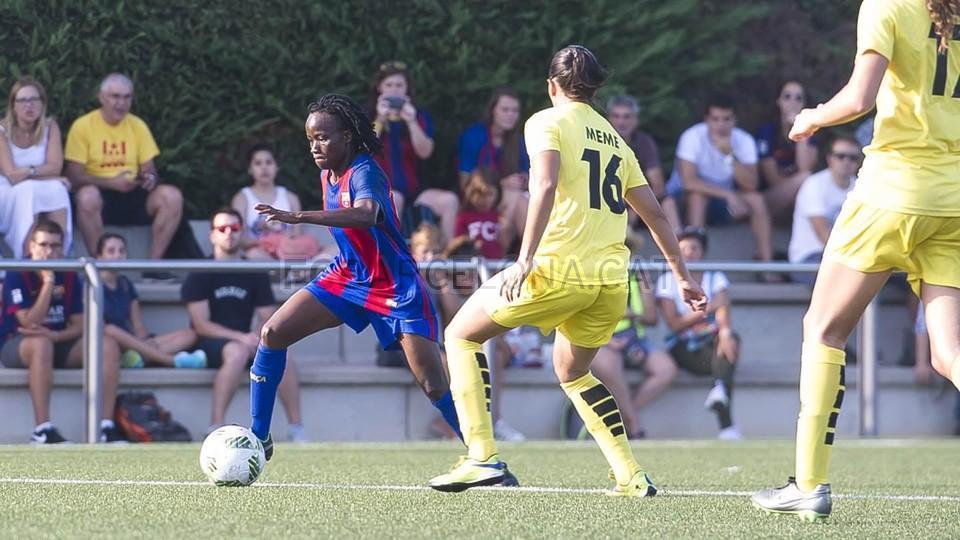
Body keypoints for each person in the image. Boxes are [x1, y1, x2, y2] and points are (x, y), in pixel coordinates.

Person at [426, 45, 705, 495]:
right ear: (595, 89)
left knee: (460, 334)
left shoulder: (545, 121)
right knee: (572, 372)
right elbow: (654, 214)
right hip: (611, 282)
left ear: (551, 85)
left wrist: (525, 256)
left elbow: (545, 183)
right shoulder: (617, 139)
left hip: (560, 270)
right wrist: (684, 277)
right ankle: (630, 475)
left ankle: (482, 458)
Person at [753, 0, 960, 521]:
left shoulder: (887, 6)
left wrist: (812, 118)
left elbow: (859, 98)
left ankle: (808, 483)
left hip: (893, 191)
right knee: (949, 354)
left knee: (822, 329)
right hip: (954, 199)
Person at [247, 95, 514, 480]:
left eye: (322, 138)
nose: (315, 147)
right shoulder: (328, 175)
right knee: (272, 332)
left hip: (396, 287)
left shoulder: (364, 170)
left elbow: (367, 214)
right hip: (347, 276)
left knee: (432, 381)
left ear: (348, 137)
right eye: (310, 140)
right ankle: (258, 437)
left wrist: (300, 217)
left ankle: (486, 460)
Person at [182, 208, 304, 440]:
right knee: (236, 352)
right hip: (209, 342)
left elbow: (268, 318)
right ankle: (215, 426)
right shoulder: (200, 272)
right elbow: (201, 325)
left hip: (247, 339)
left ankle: (296, 428)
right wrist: (241, 338)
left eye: (235, 228)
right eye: (222, 228)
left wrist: (257, 338)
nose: (229, 233)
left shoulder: (253, 270)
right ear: (212, 235)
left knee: (281, 356)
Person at [0, 221, 124, 442]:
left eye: (55, 246)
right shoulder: (16, 272)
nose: (49, 252)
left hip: (57, 341)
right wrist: (48, 283)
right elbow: (29, 323)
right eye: (44, 245)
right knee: (40, 343)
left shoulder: (69, 274)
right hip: (18, 344)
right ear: (31, 247)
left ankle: (105, 426)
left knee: (107, 344)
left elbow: (81, 322)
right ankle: (42, 429)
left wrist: (56, 336)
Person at [411, 223, 525, 442]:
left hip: (446, 345)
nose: (431, 257)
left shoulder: (452, 282)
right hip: (415, 345)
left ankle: (492, 420)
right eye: (425, 252)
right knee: (452, 361)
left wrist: (443, 279)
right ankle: (456, 422)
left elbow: (465, 320)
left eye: (435, 252)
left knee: (495, 351)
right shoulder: (417, 279)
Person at [65, 73, 184, 278]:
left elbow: (150, 169)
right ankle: (101, 266)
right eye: (115, 96)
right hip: (99, 195)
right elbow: (74, 177)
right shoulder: (83, 126)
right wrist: (111, 182)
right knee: (87, 196)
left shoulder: (137, 125)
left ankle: (154, 267)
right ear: (101, 97)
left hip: (132, 191)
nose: (121, 103)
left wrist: (149, 179)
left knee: (171, 196)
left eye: (127, 97)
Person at [666, 94, 777, 279]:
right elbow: (688, 181)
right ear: (707, 120)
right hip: (684, 202)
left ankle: (767, 267)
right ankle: (694, 270)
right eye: (715, 119)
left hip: (722, 203)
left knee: (756, 200)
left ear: (734, 120)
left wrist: (730, 155)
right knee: (697, 198)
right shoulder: (692, 137)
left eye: (726, 119)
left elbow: (751, 185)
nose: (721, 125)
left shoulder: (743, 141)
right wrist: (728, 194)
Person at [656, 227, 740, 439]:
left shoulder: (716, 277)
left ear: (703, 252)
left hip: (711, 341)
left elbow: (724, 311)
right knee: (724, 360)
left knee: (730, 340)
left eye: (694, 248)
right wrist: (708, 308)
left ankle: (720, 391)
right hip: (683, 346)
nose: (689, 253)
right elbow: (675, 325)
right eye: (683, 248)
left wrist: (726, 331)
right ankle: (726, 424)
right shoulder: (666, 280)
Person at [369, 62, 459, 240]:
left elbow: (425, 152)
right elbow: (365, 149)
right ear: (380, 88)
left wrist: (411, 122)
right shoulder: (368, 114)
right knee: (395, 199)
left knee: (450, 201)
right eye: (389, 85)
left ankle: (450, 258)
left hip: (416, 191)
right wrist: (380, 118)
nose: (394, 90)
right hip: (381, 189)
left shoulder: (418, 115)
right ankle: (389, 256)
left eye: (399, 85)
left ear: (407, 89)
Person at [96, 233, 206, 368]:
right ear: (100, 257)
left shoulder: (125, 284)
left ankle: (136, 359)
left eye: (122, 251)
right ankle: (172, 361)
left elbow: (138, 325)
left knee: (190, 334)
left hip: (132, 343)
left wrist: (146, 342)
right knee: (110, 329)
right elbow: (99, 329)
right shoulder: (92, 285)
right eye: (111, 251)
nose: (117, 255)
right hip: (109, 344)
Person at [590, 268, 676, 439]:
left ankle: (624, 416)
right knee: (608, 367)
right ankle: (634, 425)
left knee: (666, 369)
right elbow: (582, 318)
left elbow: (652, 318)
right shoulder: (591, 272)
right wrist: (607, 340)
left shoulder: (640, 276)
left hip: (635, 340)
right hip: (602, 340)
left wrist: (631, 316)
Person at [0, 77, 72, 258]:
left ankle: (59, 254)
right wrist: (45, 175)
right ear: (13, 106)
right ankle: (26, 254)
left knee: (58, 189)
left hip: (37, 184)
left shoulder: (50, 126)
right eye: (22, 101)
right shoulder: (2, 129)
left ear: (42, 104)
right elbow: (11, 175)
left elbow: (55, 167)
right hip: (7, 188)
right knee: (30, 191)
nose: (29, 106)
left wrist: (31, 172)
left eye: (34, 100)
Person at [457, 87, 530, 247]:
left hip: (512, 200)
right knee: (515, 197)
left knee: (518, 197)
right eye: (505, 109)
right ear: (493, 111)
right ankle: (526, 256)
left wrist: (523, 180)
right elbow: (465, 183)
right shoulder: (473, 136)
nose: (511, 114)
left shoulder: (518, 141)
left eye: (515, 110)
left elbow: (529, 177)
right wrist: (501, 184)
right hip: (480, 198)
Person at [787, 137, 861, 285]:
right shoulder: (814, 184)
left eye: (852, 158)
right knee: (849, 280)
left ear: (859, 162)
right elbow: (823, 234)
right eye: (840, 156)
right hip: (808, 259)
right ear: (830, 159)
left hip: (847, 258)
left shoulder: (861, 187)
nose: (846, 161)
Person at [230, 143, 320, 261]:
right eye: (258, 163)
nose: (264, 168)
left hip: (290, 253)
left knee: (333, 250)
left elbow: (297, 234)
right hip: (258, 255)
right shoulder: (242, 198)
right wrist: (267, 243)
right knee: (254, 254)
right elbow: (240, 237)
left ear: (276, 167)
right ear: (250, 169)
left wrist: (282, 243)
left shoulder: (290, 198)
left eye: (269, 162)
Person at [606, 94, 681, 231]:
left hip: (641, 199)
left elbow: (658, 185)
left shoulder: (644, 142)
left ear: (635, 120)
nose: (621, 122)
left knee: (668, 203)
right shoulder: (601, 141)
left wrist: (636, 206)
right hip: (611, 200)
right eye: (616, 116)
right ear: (609, 119)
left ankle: (681, 244)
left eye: (626, 117)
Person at [755, 81, 820, 219]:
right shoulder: (767, 132)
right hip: (768, 200)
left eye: (798, 98)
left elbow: (804, 170)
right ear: (778, 101)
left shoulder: (810, 135)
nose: (792, 102)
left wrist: (800, 128)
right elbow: (773, 180)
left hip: (798, 199)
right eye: (787, 97)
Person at [447, 169, 506, 260]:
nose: (484, 199)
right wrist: (469, 242)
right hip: (473, 267)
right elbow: (457, 245)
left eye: (490, 194)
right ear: (469, 193)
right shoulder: (463, 218)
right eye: (479, 194)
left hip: (498, 265)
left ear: (498, 194)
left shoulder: (500, 217)